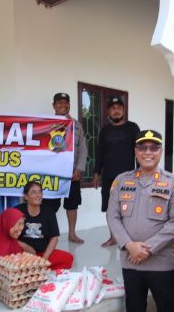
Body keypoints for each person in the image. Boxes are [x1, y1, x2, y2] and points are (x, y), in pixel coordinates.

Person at [106, 129, 174, 312]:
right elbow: (112, 216)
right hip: (131, 261)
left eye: (153, 147)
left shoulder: (173, 182)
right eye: (142, 147)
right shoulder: (121, 180)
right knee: (134, 311)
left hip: (162, 263)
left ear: (160, 151)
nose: (147, 152)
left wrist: (147, 249)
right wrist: (130, 246)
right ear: (136, 151)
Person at [94, 96, 140, 247]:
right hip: (108, 176)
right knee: (109, 208)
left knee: (128, 207)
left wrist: (140, 172)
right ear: (108, 111)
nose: (116, 110)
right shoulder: (105, 131)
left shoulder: (133, 128)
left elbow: (138, 151)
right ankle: (113, 237)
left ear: (123, 110)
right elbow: (99, 152)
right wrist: (96, 172)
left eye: (119, 107)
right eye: (113, 108)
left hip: (129, 176)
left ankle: (128, 238)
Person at [43, 92, 87, 243]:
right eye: (59, 103)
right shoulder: (45, 123)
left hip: (72, 172)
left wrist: (79, 168)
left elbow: (83, 149)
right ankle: (50, 235)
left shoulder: (76, 125)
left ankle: (72, 234)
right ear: (53, 105)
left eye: (65, 102)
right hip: (52, 173)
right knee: (50, 205)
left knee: (72, 204)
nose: (63, 105)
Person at [16, 181, 74, 271]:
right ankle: (32, 266)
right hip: (22, 253)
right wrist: (25, 246)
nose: (38, 195)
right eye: (34, 192)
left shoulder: (49, 212)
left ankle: (36, 266)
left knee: (68, 258)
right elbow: (9, 235)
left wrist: (44, 259)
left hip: (42, 253)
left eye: (40, 192)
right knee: (7, 258)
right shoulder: (17, 211)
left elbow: (54, 238)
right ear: (26, 196)